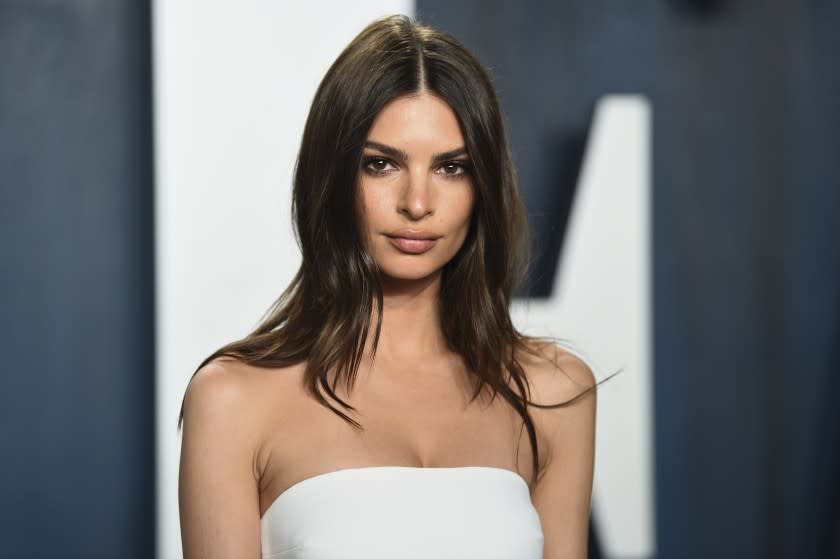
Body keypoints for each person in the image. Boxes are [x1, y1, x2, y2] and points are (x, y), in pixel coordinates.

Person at [178, 14, 597, 559]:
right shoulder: (233, 400)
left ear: (484, 184)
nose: (417, 203)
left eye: (451, 168)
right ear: (331, 176)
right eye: (381, 165)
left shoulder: (554, 393)